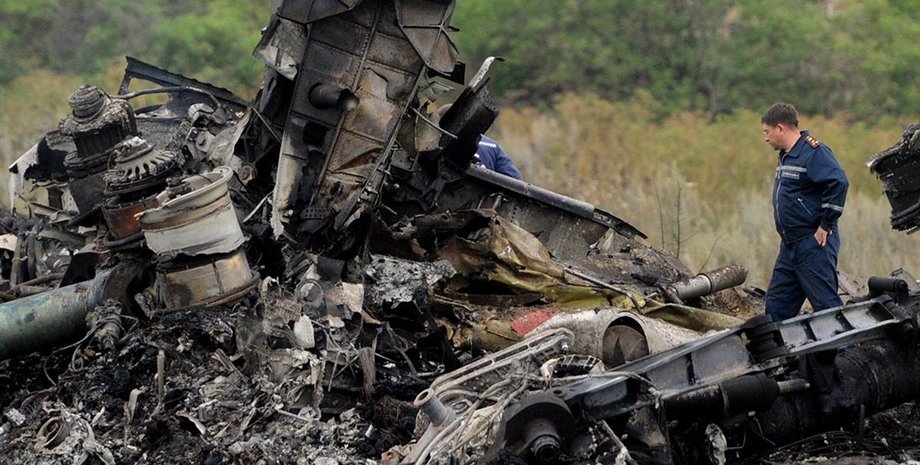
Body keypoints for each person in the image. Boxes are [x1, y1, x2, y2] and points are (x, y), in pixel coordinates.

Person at [761, 103, 849, 321]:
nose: (765, 138)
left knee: (827, 308)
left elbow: (839, 182)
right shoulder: (786, 155)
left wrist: (825, 224)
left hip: (813, 244)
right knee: (776, 309)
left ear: (780, 128)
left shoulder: (813, 152)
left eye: (766, 131)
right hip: (789, 246)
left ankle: (849, 353)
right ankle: (782, 355)